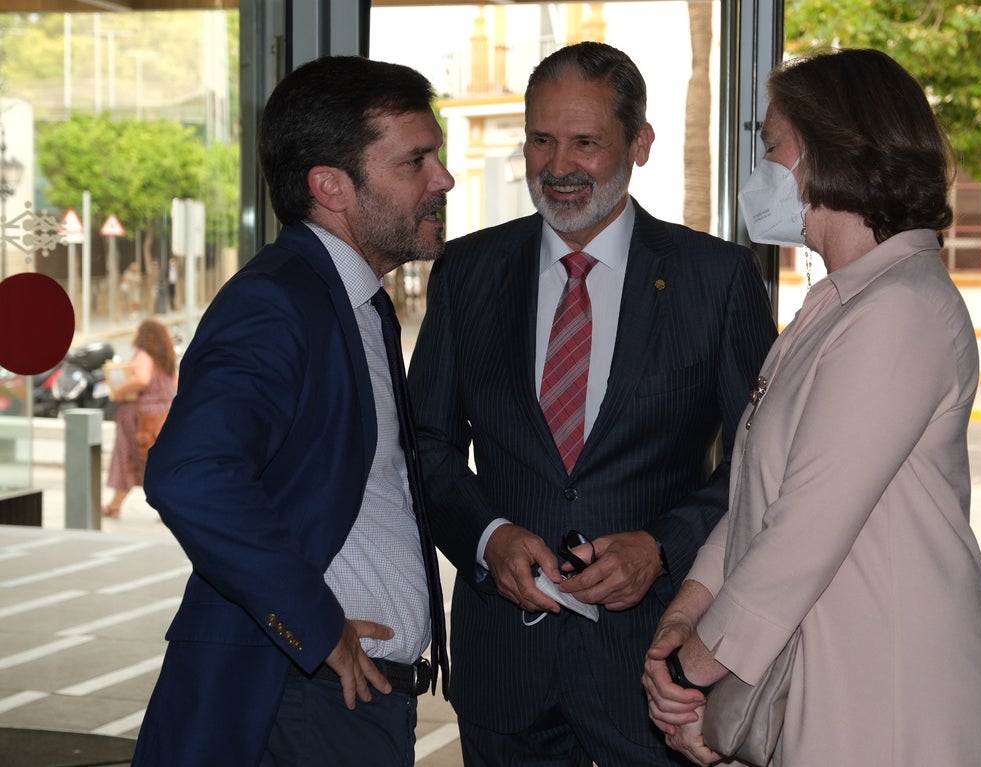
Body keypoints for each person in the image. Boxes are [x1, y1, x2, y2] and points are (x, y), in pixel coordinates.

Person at [409, 41, 776, 766]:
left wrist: (662, 544)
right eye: (541, 140)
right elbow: (426, 443)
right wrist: (488, 538)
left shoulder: (717, 279)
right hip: (505, 671)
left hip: (655, 671)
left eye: (585, 142)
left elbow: (761, 462)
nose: (558, 166)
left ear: (640, 143)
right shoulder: (468, 271)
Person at [642, 48, 981, 767]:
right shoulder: (840, 305)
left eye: (772, 144)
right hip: (833, 680)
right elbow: (762, 499)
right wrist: (686, 611)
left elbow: (803, 533)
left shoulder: (900, 308)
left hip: (895, 699)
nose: (763, 169)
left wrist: (691, 671)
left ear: (829, 151)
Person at [131, 55, 454, 767]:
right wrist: (315, 623)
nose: (443, 179)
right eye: (415, 162)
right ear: (330, 186)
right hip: (302, 697)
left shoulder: (353, 302)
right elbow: (189, 471)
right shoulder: (278, 301)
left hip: (344, 699)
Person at [101, 318, 177, 519]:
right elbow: (175, 385)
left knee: (127, 459)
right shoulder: (166, 359)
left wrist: (119, 390)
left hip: (140, 419)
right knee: (151, 463)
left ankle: (116, 506)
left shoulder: (144, 355)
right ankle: (116, 505)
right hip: (162, 416)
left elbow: (141, 379)